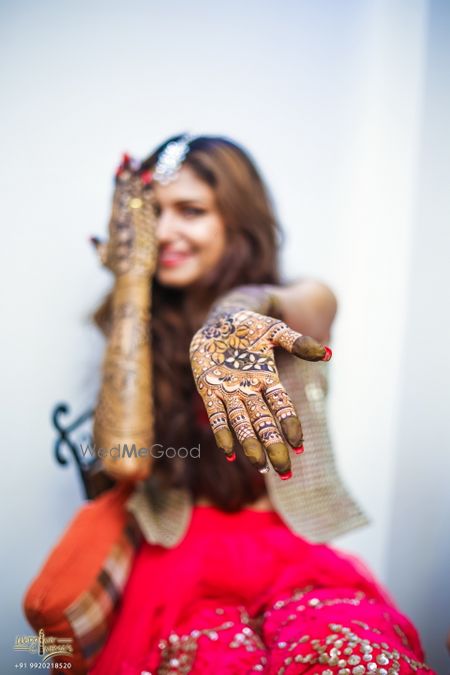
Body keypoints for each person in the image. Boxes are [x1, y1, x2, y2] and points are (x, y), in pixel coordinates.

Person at [24, 135, 434, 674]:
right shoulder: (138, 333)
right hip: (178, 570)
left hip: (294, 561)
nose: (166, 232)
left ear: (237, 222)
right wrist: (129, 285)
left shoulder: (290, 304)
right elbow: (125, 459)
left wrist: (233, 317)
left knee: (351, 655)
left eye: (190, 212)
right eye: (152, 216)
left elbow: (318, 303)